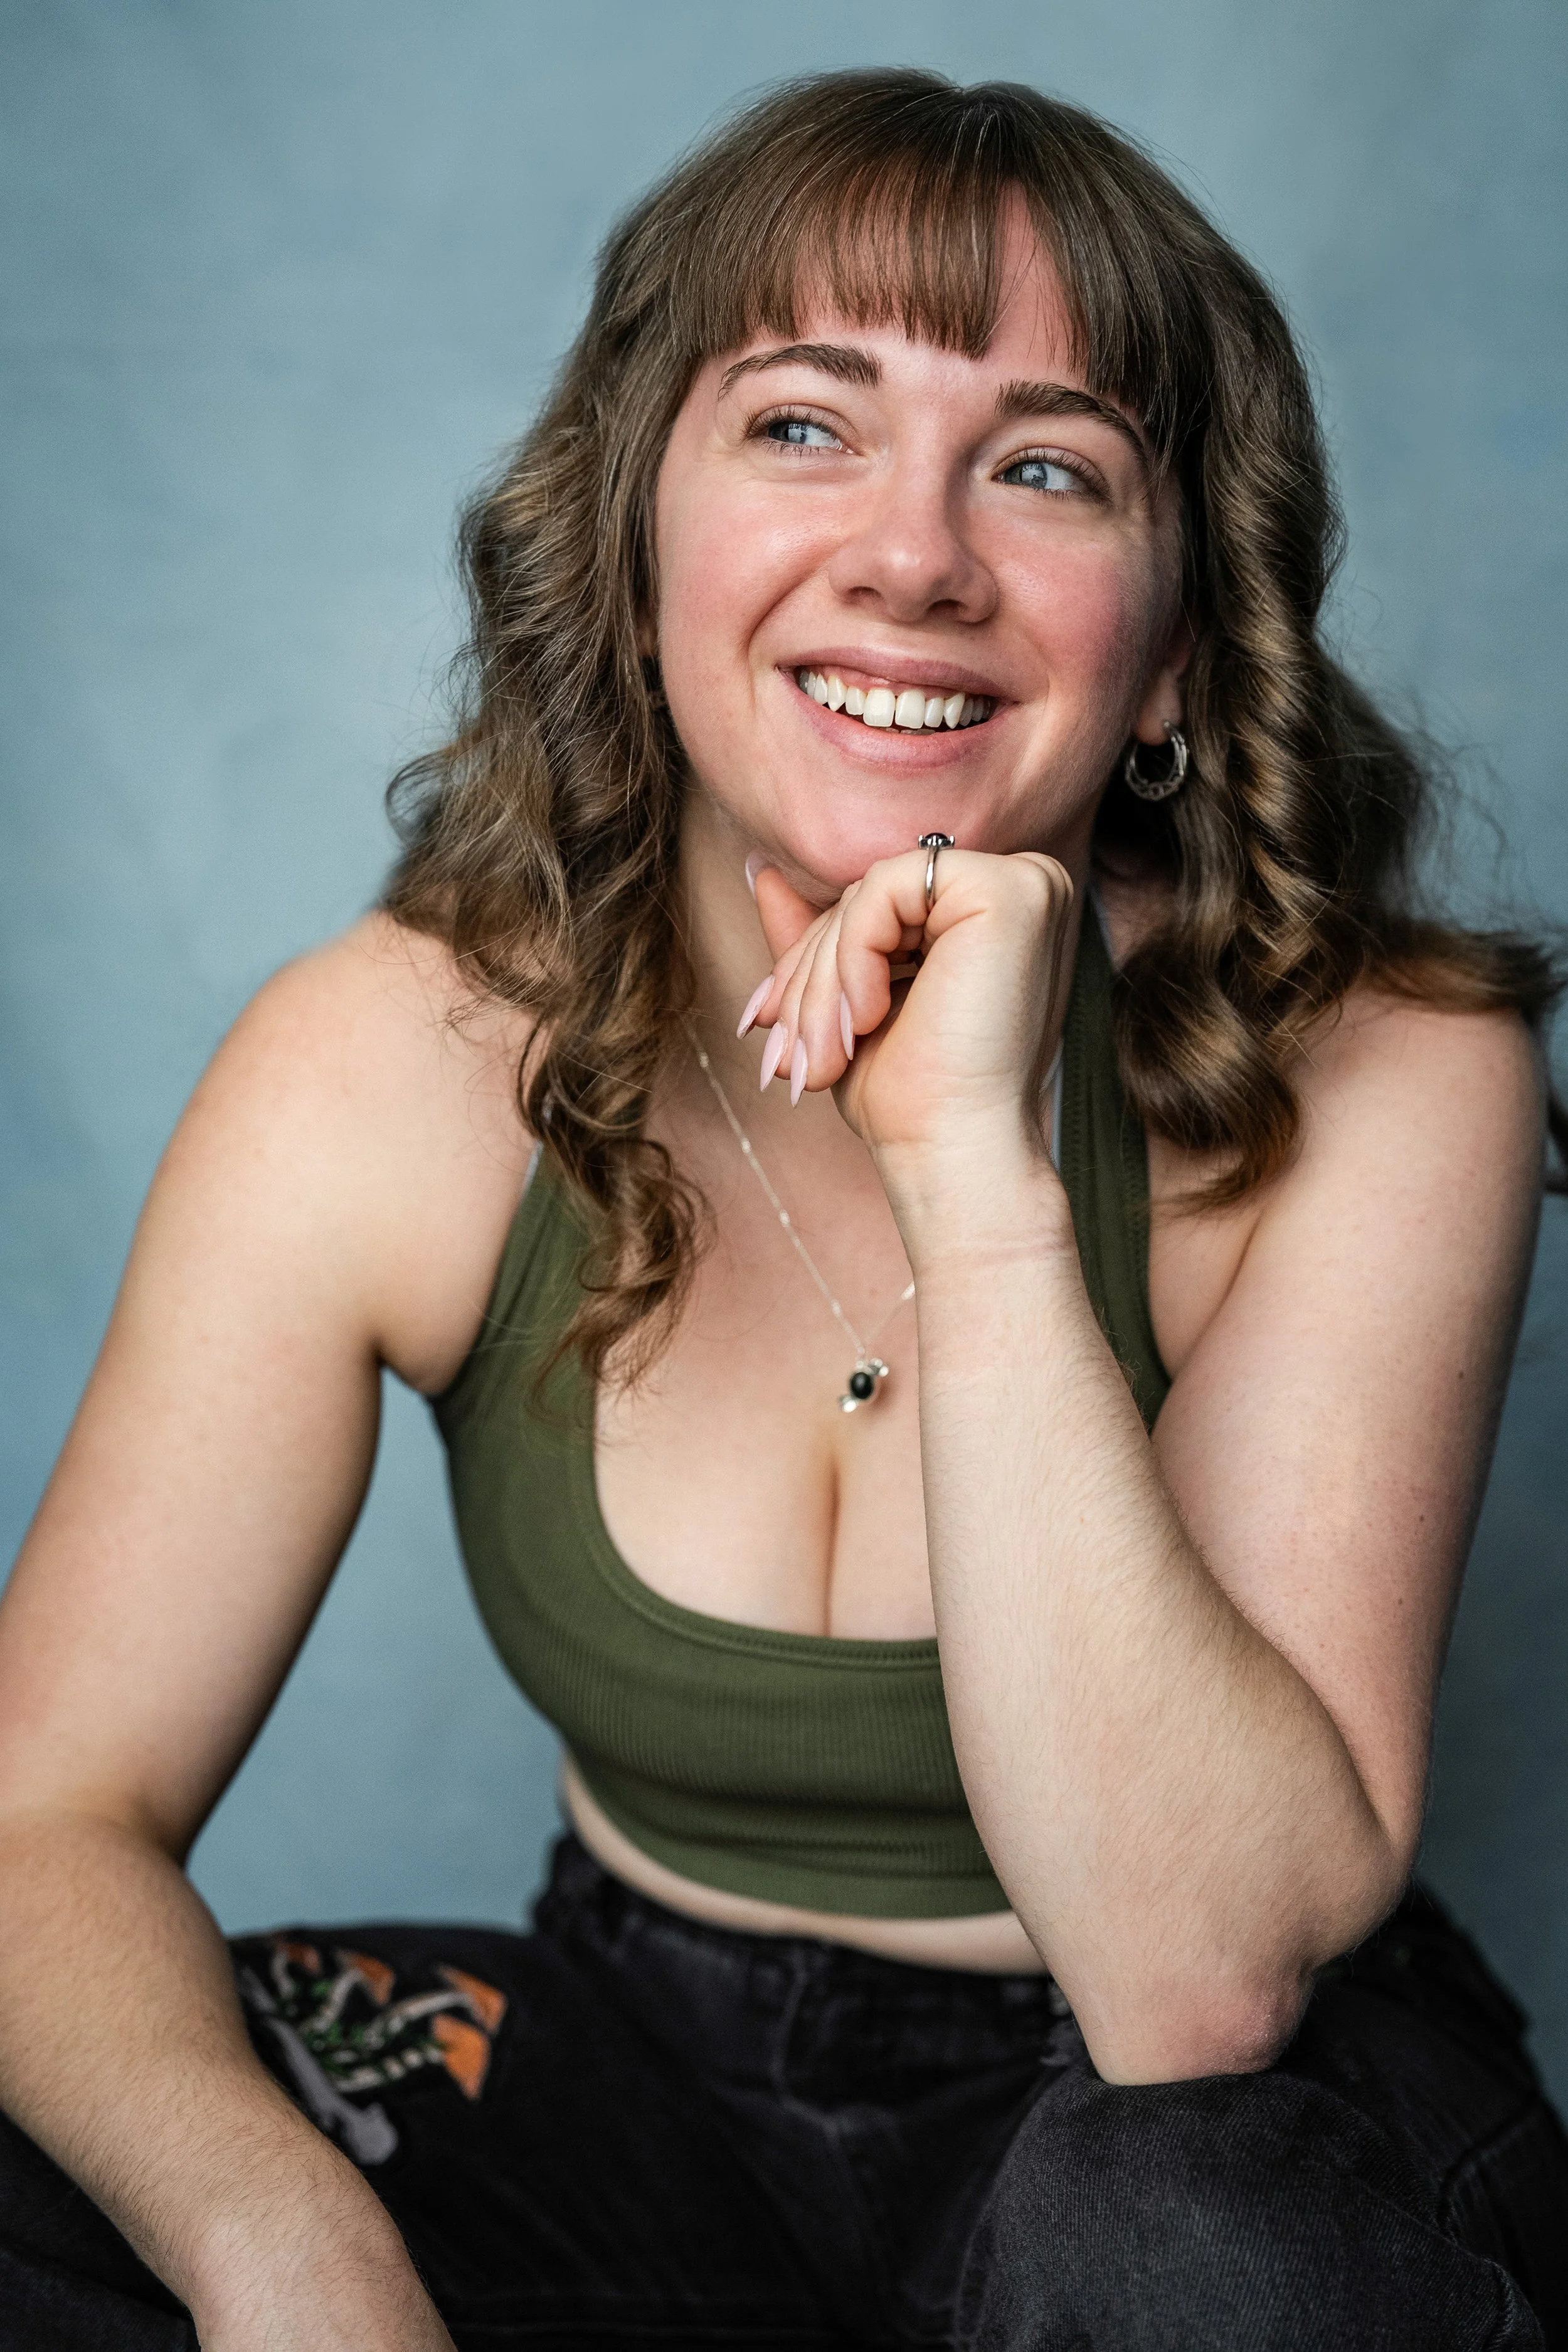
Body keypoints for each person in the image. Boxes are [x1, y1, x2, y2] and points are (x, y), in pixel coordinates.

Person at [1, 65, 1564, 2352]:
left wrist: (977, 1180)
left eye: (1045, 467)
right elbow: (45, 1817)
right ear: (637, 551)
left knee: (1194, 2247)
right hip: (644, 2065)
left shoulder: (1392, 1065)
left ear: (1169, 661)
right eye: (806, 426)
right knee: (75, 2154)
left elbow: (1196, 1978)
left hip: (1187, 2115)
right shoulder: (386, 1061)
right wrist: (292, 2265)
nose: (914, 555)